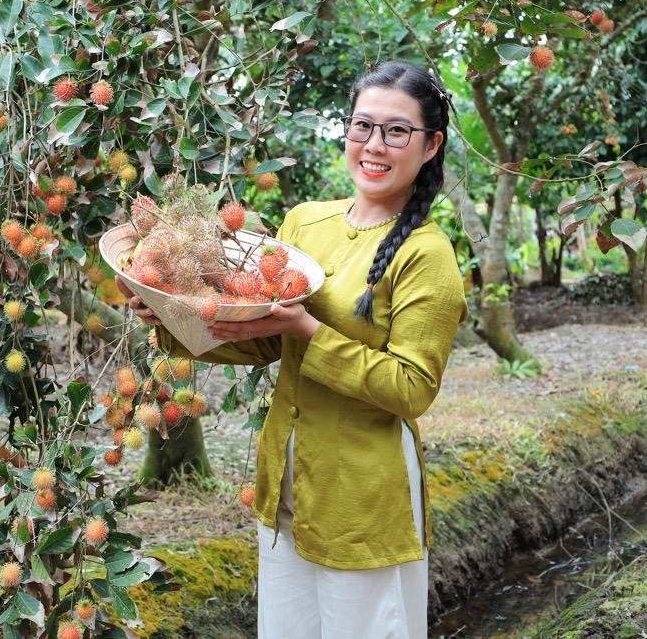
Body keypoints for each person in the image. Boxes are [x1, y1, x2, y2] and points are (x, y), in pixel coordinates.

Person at [118, 60, 468, 639]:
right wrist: (173, 317)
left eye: (396, 131)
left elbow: (412, 388)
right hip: (285, 479)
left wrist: (309, 331)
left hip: (362, 490)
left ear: (430, 146)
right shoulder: (306, 222)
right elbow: (259, 339)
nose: (374, 145)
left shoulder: (427, 255)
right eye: (363, 126)